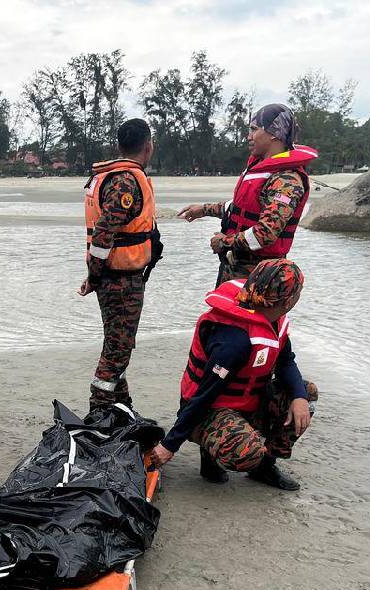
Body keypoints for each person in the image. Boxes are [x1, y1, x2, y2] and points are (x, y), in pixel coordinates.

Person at [147, 259, 319, 491]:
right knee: (247, 452)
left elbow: (286, 360)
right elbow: (204, 396)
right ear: (290, 301)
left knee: (306, 393)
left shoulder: (272, 318)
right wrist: (169, 446)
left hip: (247, 403)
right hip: (209, 410)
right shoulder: (234, 342)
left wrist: (298, 397)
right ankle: (210, 453)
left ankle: (265, 467)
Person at [176, 104, 318, 284]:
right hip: (235, 269)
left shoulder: (286, 181)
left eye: (254, 129)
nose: (248, 136)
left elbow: (265, 233)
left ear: (274, 133)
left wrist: (224, 242)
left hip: (259, 278)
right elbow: (240, 207)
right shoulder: (259, 169)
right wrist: (203, 210)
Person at [77, 118, 162, 412]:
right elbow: (103, 233)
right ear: (148, 147)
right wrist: (96, 275)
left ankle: (122, 407)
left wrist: (94, 275)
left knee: (120, 344)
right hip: (120, 279)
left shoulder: (114, 176)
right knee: (116, 349)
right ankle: (99, 413)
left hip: (117, 276)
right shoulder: (126, 181)